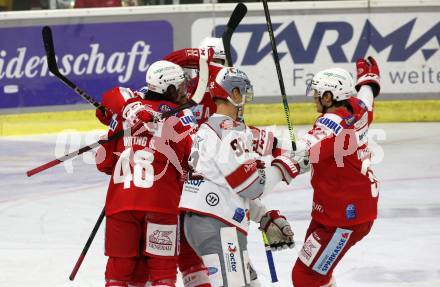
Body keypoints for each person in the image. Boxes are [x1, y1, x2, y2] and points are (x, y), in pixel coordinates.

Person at [179, 66, 310, 287]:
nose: (246, 100)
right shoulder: (229, 131)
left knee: (251, 284)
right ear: (235, 93)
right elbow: (251, 186)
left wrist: (263, 215)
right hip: (218, 225)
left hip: (208, 220)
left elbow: (226, 184)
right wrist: (287, 166)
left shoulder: (212, 128)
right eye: (244, 93)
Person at [95, 60, 199, 287]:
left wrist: (115, 122)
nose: (185, 91)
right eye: (180, 87)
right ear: (168, 89)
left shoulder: (125, 116)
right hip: (162, 205)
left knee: (118, 271)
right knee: (163, 271)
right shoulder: (180, 117)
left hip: (121, 204)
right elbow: (191, 162)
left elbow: (102, 164)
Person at [291, 57, 381, 287]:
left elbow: (302, 152)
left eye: (317, 93)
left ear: (329, 97)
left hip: (345, 217)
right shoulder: (357, 108)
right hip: (335, 211)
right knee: (316, 272)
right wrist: (368, 80)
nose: (314, 98)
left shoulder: (330, 125)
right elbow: (366, 97)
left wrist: (257, 143)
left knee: (306, 277)